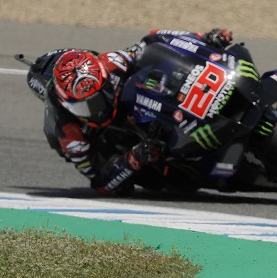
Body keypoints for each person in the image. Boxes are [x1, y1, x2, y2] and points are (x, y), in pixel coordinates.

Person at [35, 28, 233, 196]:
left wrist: (203, 38)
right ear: (67, 104)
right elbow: (101, 183)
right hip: (121, 147)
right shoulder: (70, 135)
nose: (97, 108)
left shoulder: (112, 62)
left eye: (99, 96)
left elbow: (154, 39)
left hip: (139, 106)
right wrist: (133, 159)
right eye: (85, 106)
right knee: (169, 183)